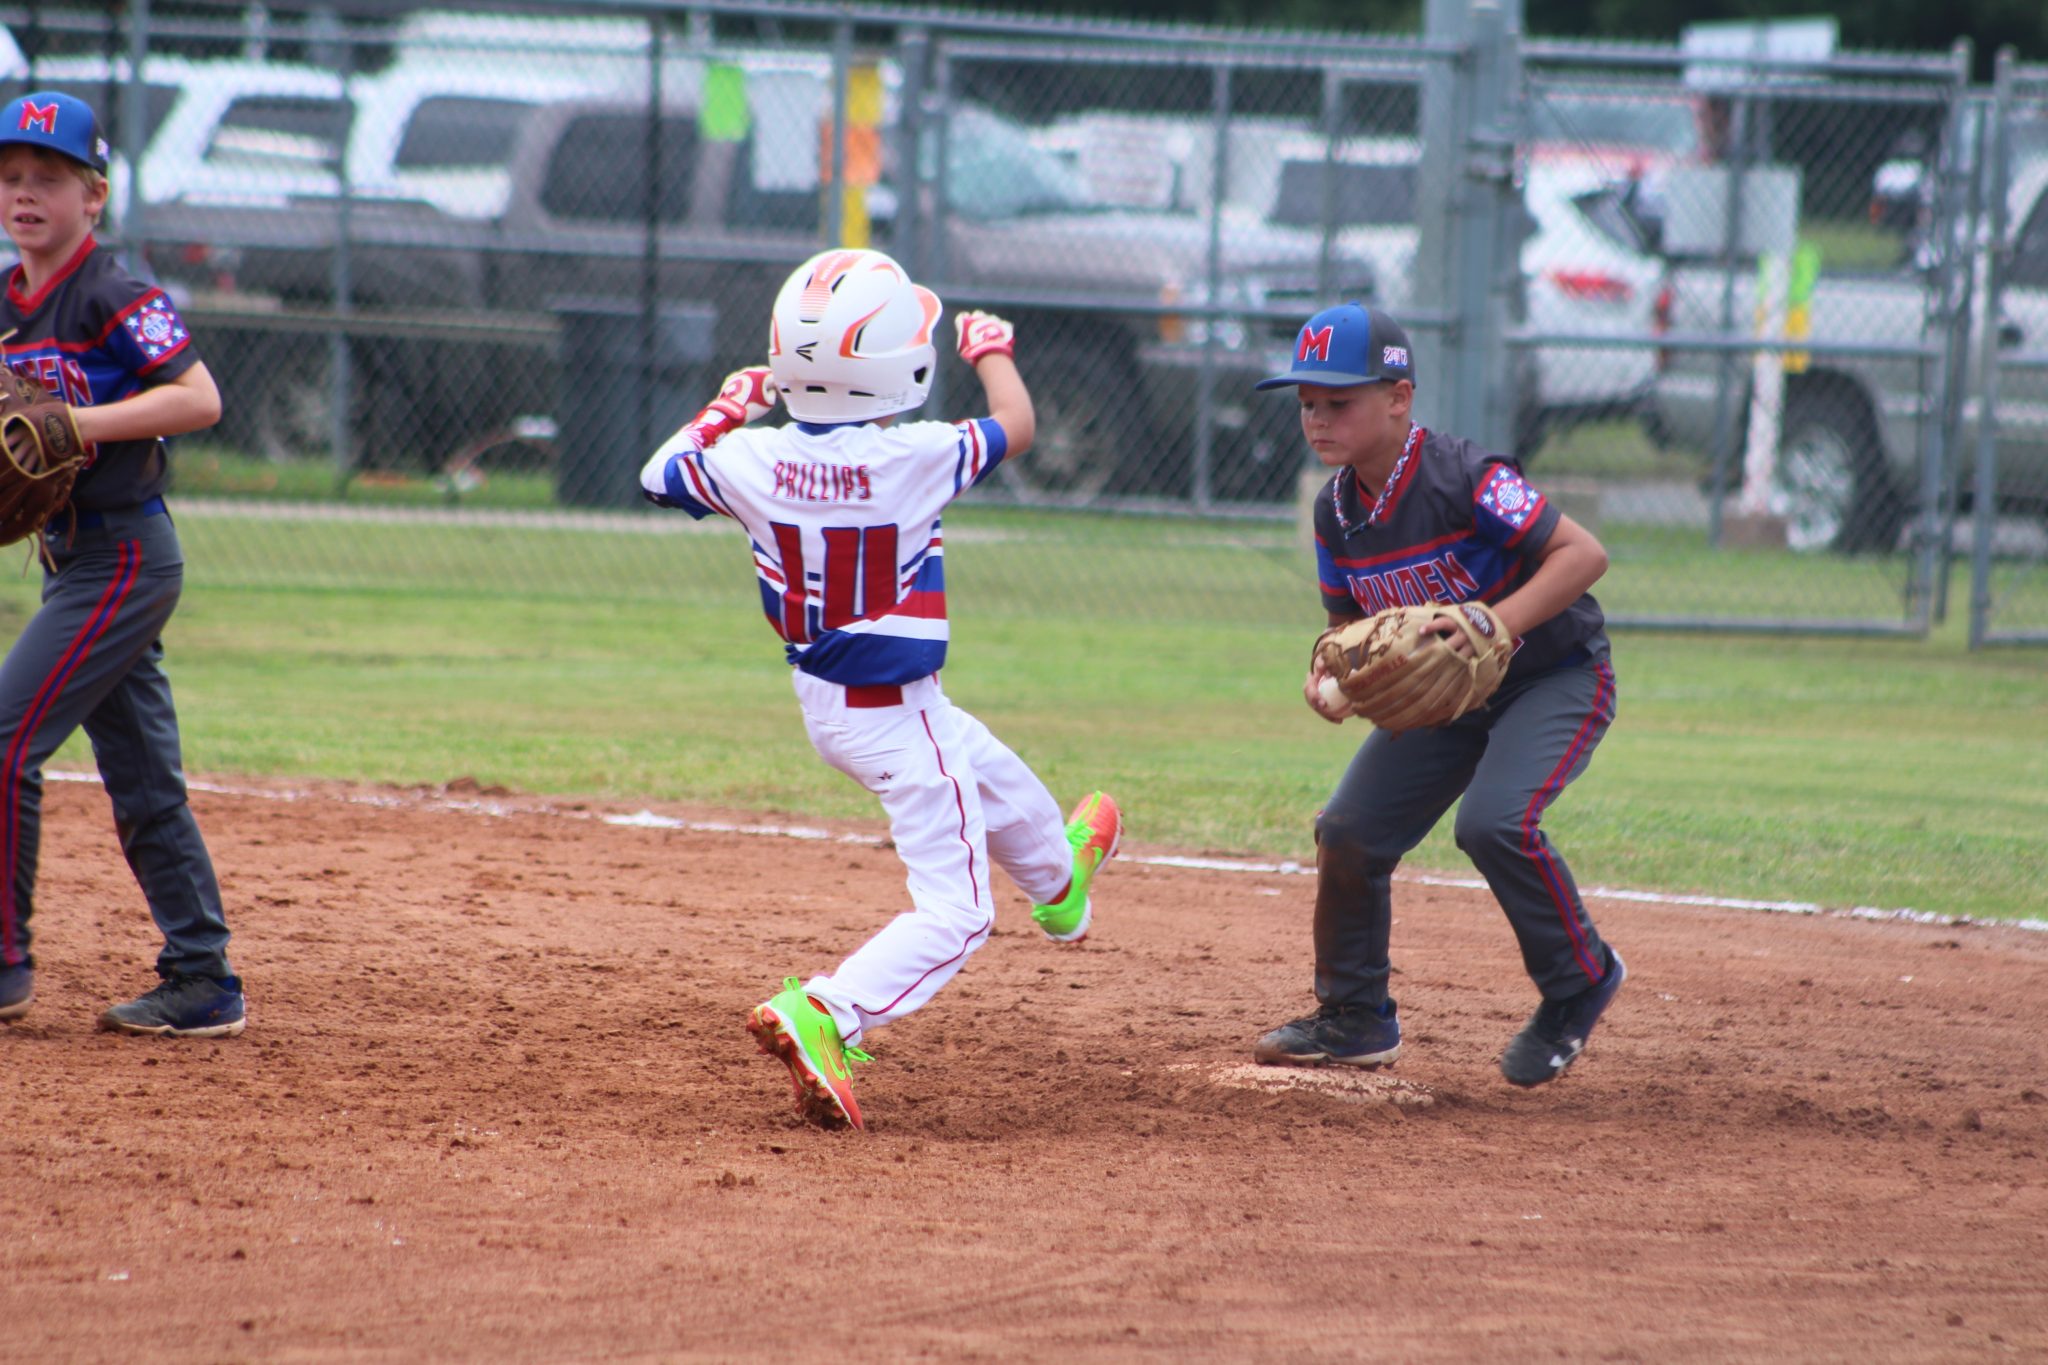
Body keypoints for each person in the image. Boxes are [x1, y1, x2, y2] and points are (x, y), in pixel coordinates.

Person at [638, 247, 1121, 1130]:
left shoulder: (749, 458)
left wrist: (728, 406)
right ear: (904, 364)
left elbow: (660, 472)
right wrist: (992, 348)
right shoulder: (918, 453)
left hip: (836, 709)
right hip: (895, 716)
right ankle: (829, 1009)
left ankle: (1060, 884)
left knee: (989, 773)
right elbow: (1015, 424)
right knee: (960, 912)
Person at [1249, 302, 1623, 1087]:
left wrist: (1497, 620)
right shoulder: (1336, 510)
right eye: (1306, 403)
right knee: (1348, 829)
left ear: (1399, 397)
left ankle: (1578, 980)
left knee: (1493, 823)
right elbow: (1347, 627)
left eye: (1339, 401)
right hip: (1448, 702)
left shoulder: (1466, 478)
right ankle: (1355, 1017)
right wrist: (1330, 682)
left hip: (1552, 673)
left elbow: (1583, 554)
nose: (1317, 418)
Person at [0, 92, 245, 1037]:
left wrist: (79, 423)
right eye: (12, 177)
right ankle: (203, 980)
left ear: (93, 196)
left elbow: (199, 399)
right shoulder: (5, 303)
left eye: (49, 178)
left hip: (127, 554)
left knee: (5, 740)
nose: (26, 194)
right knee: (143, 783)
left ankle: (5, 964)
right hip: (70, 560)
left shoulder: (114, 292)